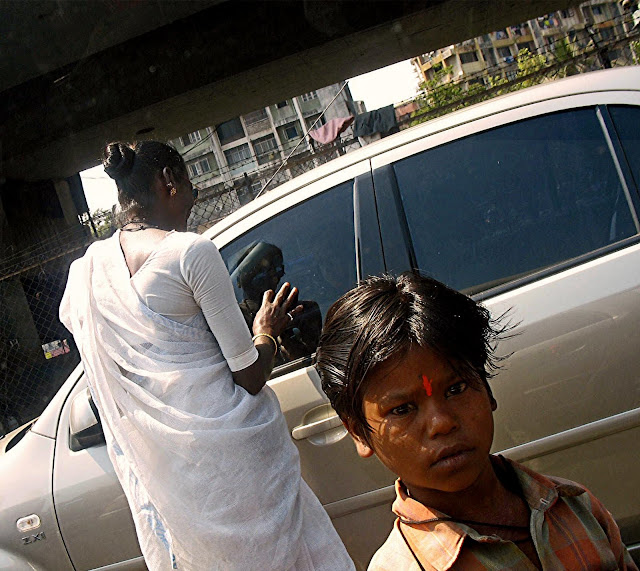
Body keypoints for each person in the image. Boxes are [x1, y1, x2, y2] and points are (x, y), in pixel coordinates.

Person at [59, 141, 354, 571]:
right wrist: (266, 330)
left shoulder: (84, 273)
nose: (193, 203)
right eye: (192, 189)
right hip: (236, 471)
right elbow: (250, 376)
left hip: (177, 482)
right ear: (169, 182)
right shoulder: (190, 252)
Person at [315, 272, 637, 571]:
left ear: (487, 388)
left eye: (456, 388)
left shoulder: (575, 507)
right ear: (359, 433)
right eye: (402, 409)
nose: (441, 423)